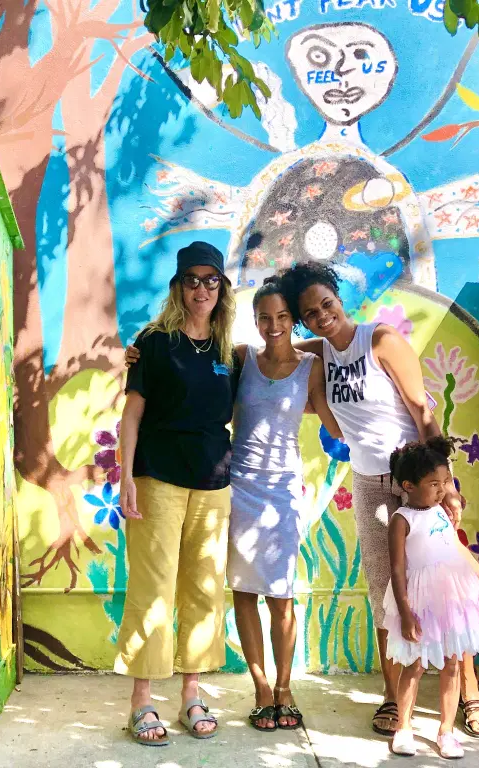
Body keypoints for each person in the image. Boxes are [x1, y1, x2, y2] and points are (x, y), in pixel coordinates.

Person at [276, 261, 479, 737]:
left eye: (326, 304)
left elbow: (421, 410)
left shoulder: (380, 340)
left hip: (416, 481)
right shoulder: (316, 356)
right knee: (385, 595)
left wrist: (446, 483)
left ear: (338, 297)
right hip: (371, 485)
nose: (321, 316)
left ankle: (471, 694)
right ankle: (395, 698)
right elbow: (266, 352)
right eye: (309, 314)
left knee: (447, 584)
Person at [117, 241, 236, 746]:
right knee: (153, 589)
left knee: (205, 591)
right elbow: (132, 414)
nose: (202, 289)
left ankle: (191, 694)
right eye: (193, 279)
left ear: (222, 288)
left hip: (214, 485)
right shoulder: (154, 342)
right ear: (178, 285)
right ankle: (142, 702)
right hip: (157, 479)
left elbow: (288, 358)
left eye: (212, 280)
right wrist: (124, 476)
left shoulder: (230, 350)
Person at [228, 277, 344, 732]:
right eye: (264, 318)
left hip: (282, 493)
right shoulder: (240, 359)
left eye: (282, 317)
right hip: (239, 487)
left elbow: (332, 417)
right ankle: (259, 688)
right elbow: (190, 361)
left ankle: (284, 687)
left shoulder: (310, 365)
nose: (273, 326)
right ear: (254, 321)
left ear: (292, 321)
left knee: (281, 597)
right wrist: (141, 355)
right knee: (243, 591)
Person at [384, 437, 479, 758]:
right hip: (419, 602)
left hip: (453, 599)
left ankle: (446, 731)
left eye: (445, 482)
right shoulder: (401, 520)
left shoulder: (440, 512)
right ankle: (403, 728)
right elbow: (397, 571)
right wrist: (406, 612)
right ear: (408, 486)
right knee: (415, 665)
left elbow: (458, 548)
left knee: (453, 663)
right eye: (434, 483)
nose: (442, 490)